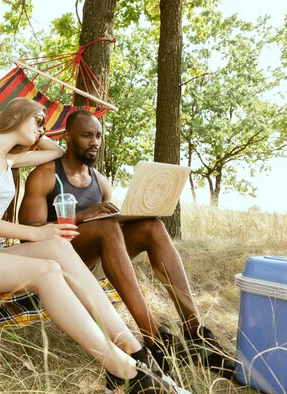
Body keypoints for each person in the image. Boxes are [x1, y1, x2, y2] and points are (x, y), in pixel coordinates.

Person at [0, 98, 195, 394]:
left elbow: (56, 151)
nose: (43, 128)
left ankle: (135, 350)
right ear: (17, 115)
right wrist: (40, 231)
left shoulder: (7, 159)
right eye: (38, 121)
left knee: (58, 247)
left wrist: (37, 131)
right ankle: (124, 372)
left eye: (44, 124)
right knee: (47, 271)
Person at [18, 109, 236, 377]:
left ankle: (196, 332)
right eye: (86, 135)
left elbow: (111, 231)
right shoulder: (46, 175)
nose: (94, 141)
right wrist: (82, 217)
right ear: (68, 137)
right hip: (62, 259)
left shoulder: (100, 182)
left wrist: (131, 216)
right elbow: (27, 232)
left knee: (152, 227)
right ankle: (154, 338)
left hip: (97, 261)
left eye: (98, 135)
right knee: (106, 226)